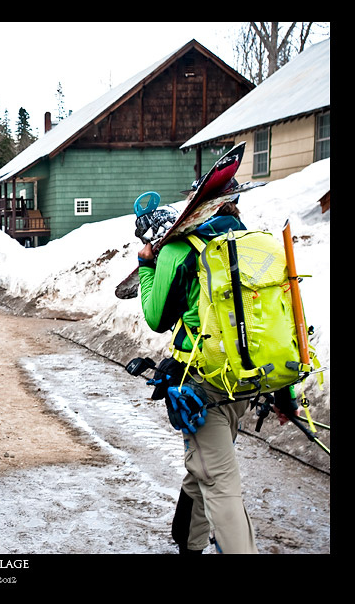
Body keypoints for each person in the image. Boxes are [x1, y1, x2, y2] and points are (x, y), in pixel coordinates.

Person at [137, 201, 258, 554]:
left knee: (220, 483)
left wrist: (146, 267)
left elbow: (157, 317)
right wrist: (286, 394)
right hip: (246, 377)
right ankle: (188, 542)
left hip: (204, 381)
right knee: (203, 466)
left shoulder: (177, 250)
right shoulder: (244, 243)